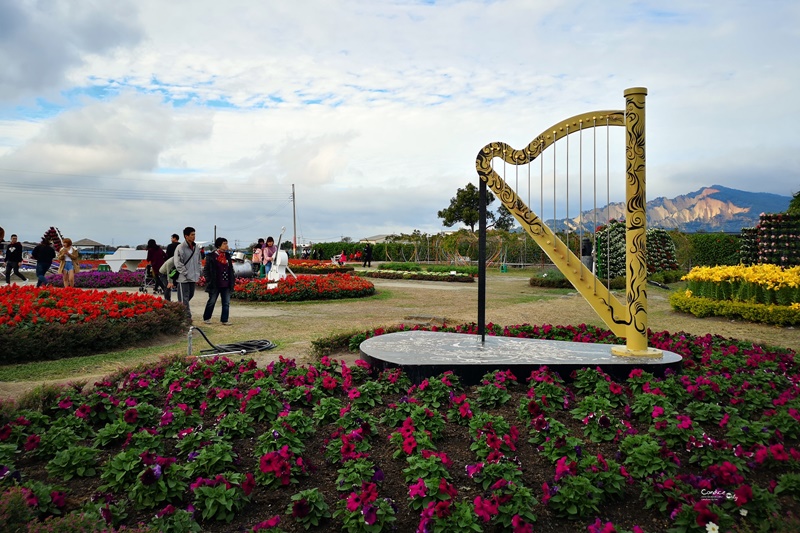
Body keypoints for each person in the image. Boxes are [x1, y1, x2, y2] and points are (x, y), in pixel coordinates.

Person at [202, 237, 235, 325]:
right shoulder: (211, 256)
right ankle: (207, 318)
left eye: (226, 243)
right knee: (212, 301)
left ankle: (224, 319)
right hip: (215, 283)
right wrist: (209, 280)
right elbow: (206, 270)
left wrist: (232, 279)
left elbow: (230, 269)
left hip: (226, 282)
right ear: (219, 245)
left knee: (226, 302)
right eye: (224, 243)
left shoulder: (227, 256)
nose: (226, 245)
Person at [174, 227, 202, 320]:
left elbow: (198, 261)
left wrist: (198, 272)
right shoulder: (180, 247)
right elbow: (178, 263)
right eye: (192, 235)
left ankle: (177, 311)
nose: (194, 236)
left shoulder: (196, 247)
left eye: (194, 234)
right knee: (184, 298)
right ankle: (186, 318)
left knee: (190, 295)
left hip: (193, 277)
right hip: (183, 278)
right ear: (186, 236)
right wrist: (185, 273)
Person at [164, 233, 181, 302]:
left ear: (174, 238)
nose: (171, 239)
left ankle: (168, 298)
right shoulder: (180, 246)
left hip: (171, 263)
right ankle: (177, 287)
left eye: (172, 238)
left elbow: (167, 256)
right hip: (179, 263)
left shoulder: (170, 246)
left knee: (171, 275)